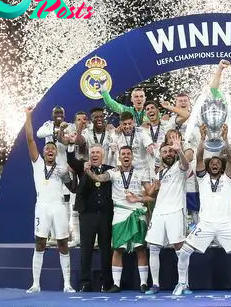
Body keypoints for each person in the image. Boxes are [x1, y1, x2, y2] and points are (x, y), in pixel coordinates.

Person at [173, 124, 231, 295]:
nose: (214, 164)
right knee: (184, 252)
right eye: (212, 163)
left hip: (225, 224)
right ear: (209, 166)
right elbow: (199, 157)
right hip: (205, 224)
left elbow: (230, 159)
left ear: (221, 167)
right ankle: (182, 283)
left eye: (217, 163)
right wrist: (201, 138)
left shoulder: (228, 178)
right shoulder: (202, 178)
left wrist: (225, 139)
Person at [86, 146, 152, 293]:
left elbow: (151, 194)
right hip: (120, 213)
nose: (126, 156)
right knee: (118, 249)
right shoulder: (113, 173)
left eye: (128, 153)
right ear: (119, 157)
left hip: (137, 212)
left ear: (132, 156)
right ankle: (116, 284)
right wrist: (88, 171)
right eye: (123, 154)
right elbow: (98, 178)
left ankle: (143, 283)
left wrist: (140, 197)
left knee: (140, 248)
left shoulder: (141, 173)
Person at [23, 106, 74, 293]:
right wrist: (28, 116)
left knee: (63, 244)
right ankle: (36, 284)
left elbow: (72, 187)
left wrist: (69, 176)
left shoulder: (61, 169)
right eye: (48, 148)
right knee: (40, 243)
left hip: (59, 207)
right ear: (44, 152)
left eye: (53, 148)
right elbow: (30, 139)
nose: (51, 150)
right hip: (42, 207)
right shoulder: (37, 164)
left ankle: (67, 285)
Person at [144, 132, 190, 294]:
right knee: (154, 247)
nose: (169, 154)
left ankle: (184, 284)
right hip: (159, 213)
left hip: (175, 211)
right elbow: (152, 195)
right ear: (161, 155)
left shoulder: (179, 167)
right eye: (165, 152)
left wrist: (179, 151)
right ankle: (155, 284)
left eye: (171, 152)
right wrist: (147, 193)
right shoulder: (159, 174)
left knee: (179, 246)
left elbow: (185, 164)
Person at [66, 138, 114, 292]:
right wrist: (71, 145)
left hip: (106, 215)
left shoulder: (110, 169)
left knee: (106, 250)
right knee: (86, 249)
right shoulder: (82, 167)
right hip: (87, 215)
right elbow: (71, 159)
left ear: (103, 155)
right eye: (92, 152)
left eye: (97, 153)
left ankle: (106, 283)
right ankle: (85, 283)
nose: (94, 155)